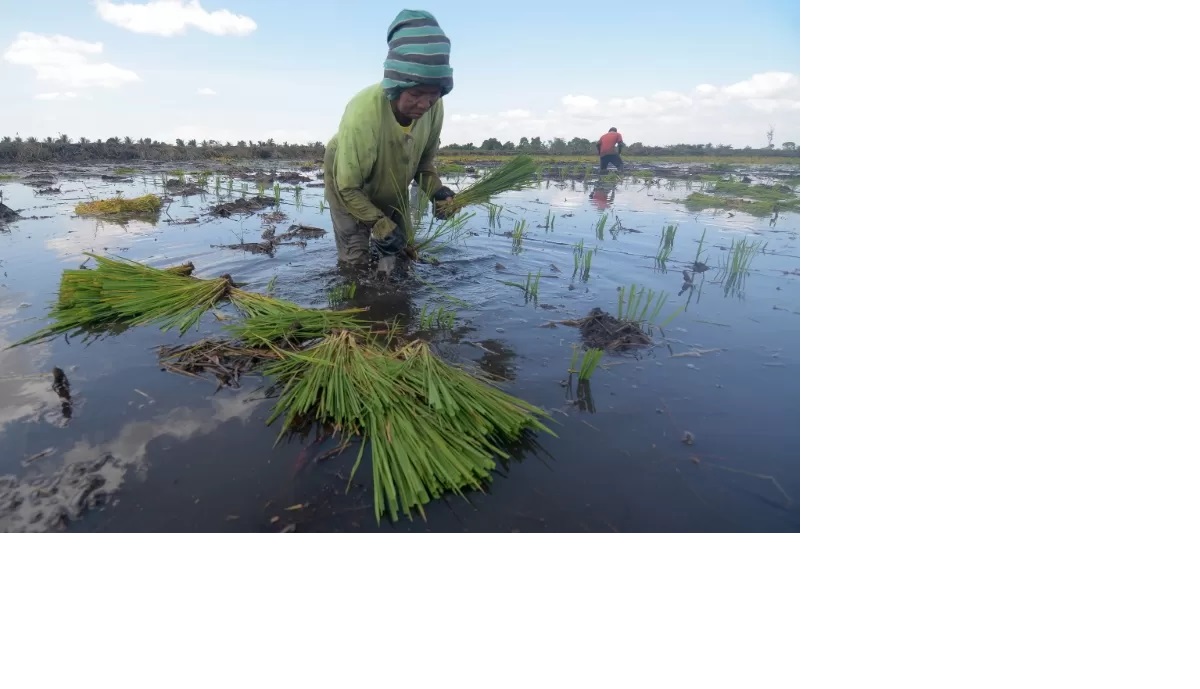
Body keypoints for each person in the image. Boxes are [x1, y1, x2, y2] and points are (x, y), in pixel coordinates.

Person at [323, 9, 458, 272]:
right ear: (396, 84)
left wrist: (438, 192)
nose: (424, 104)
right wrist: (378, 223)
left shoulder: (434, 109)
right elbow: (348, 187)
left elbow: (423, 166)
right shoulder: (363, 113)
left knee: (401, 254)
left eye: (433, 95)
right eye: (416, 94)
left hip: (392, 186)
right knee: (355, 260)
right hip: (347, 185)